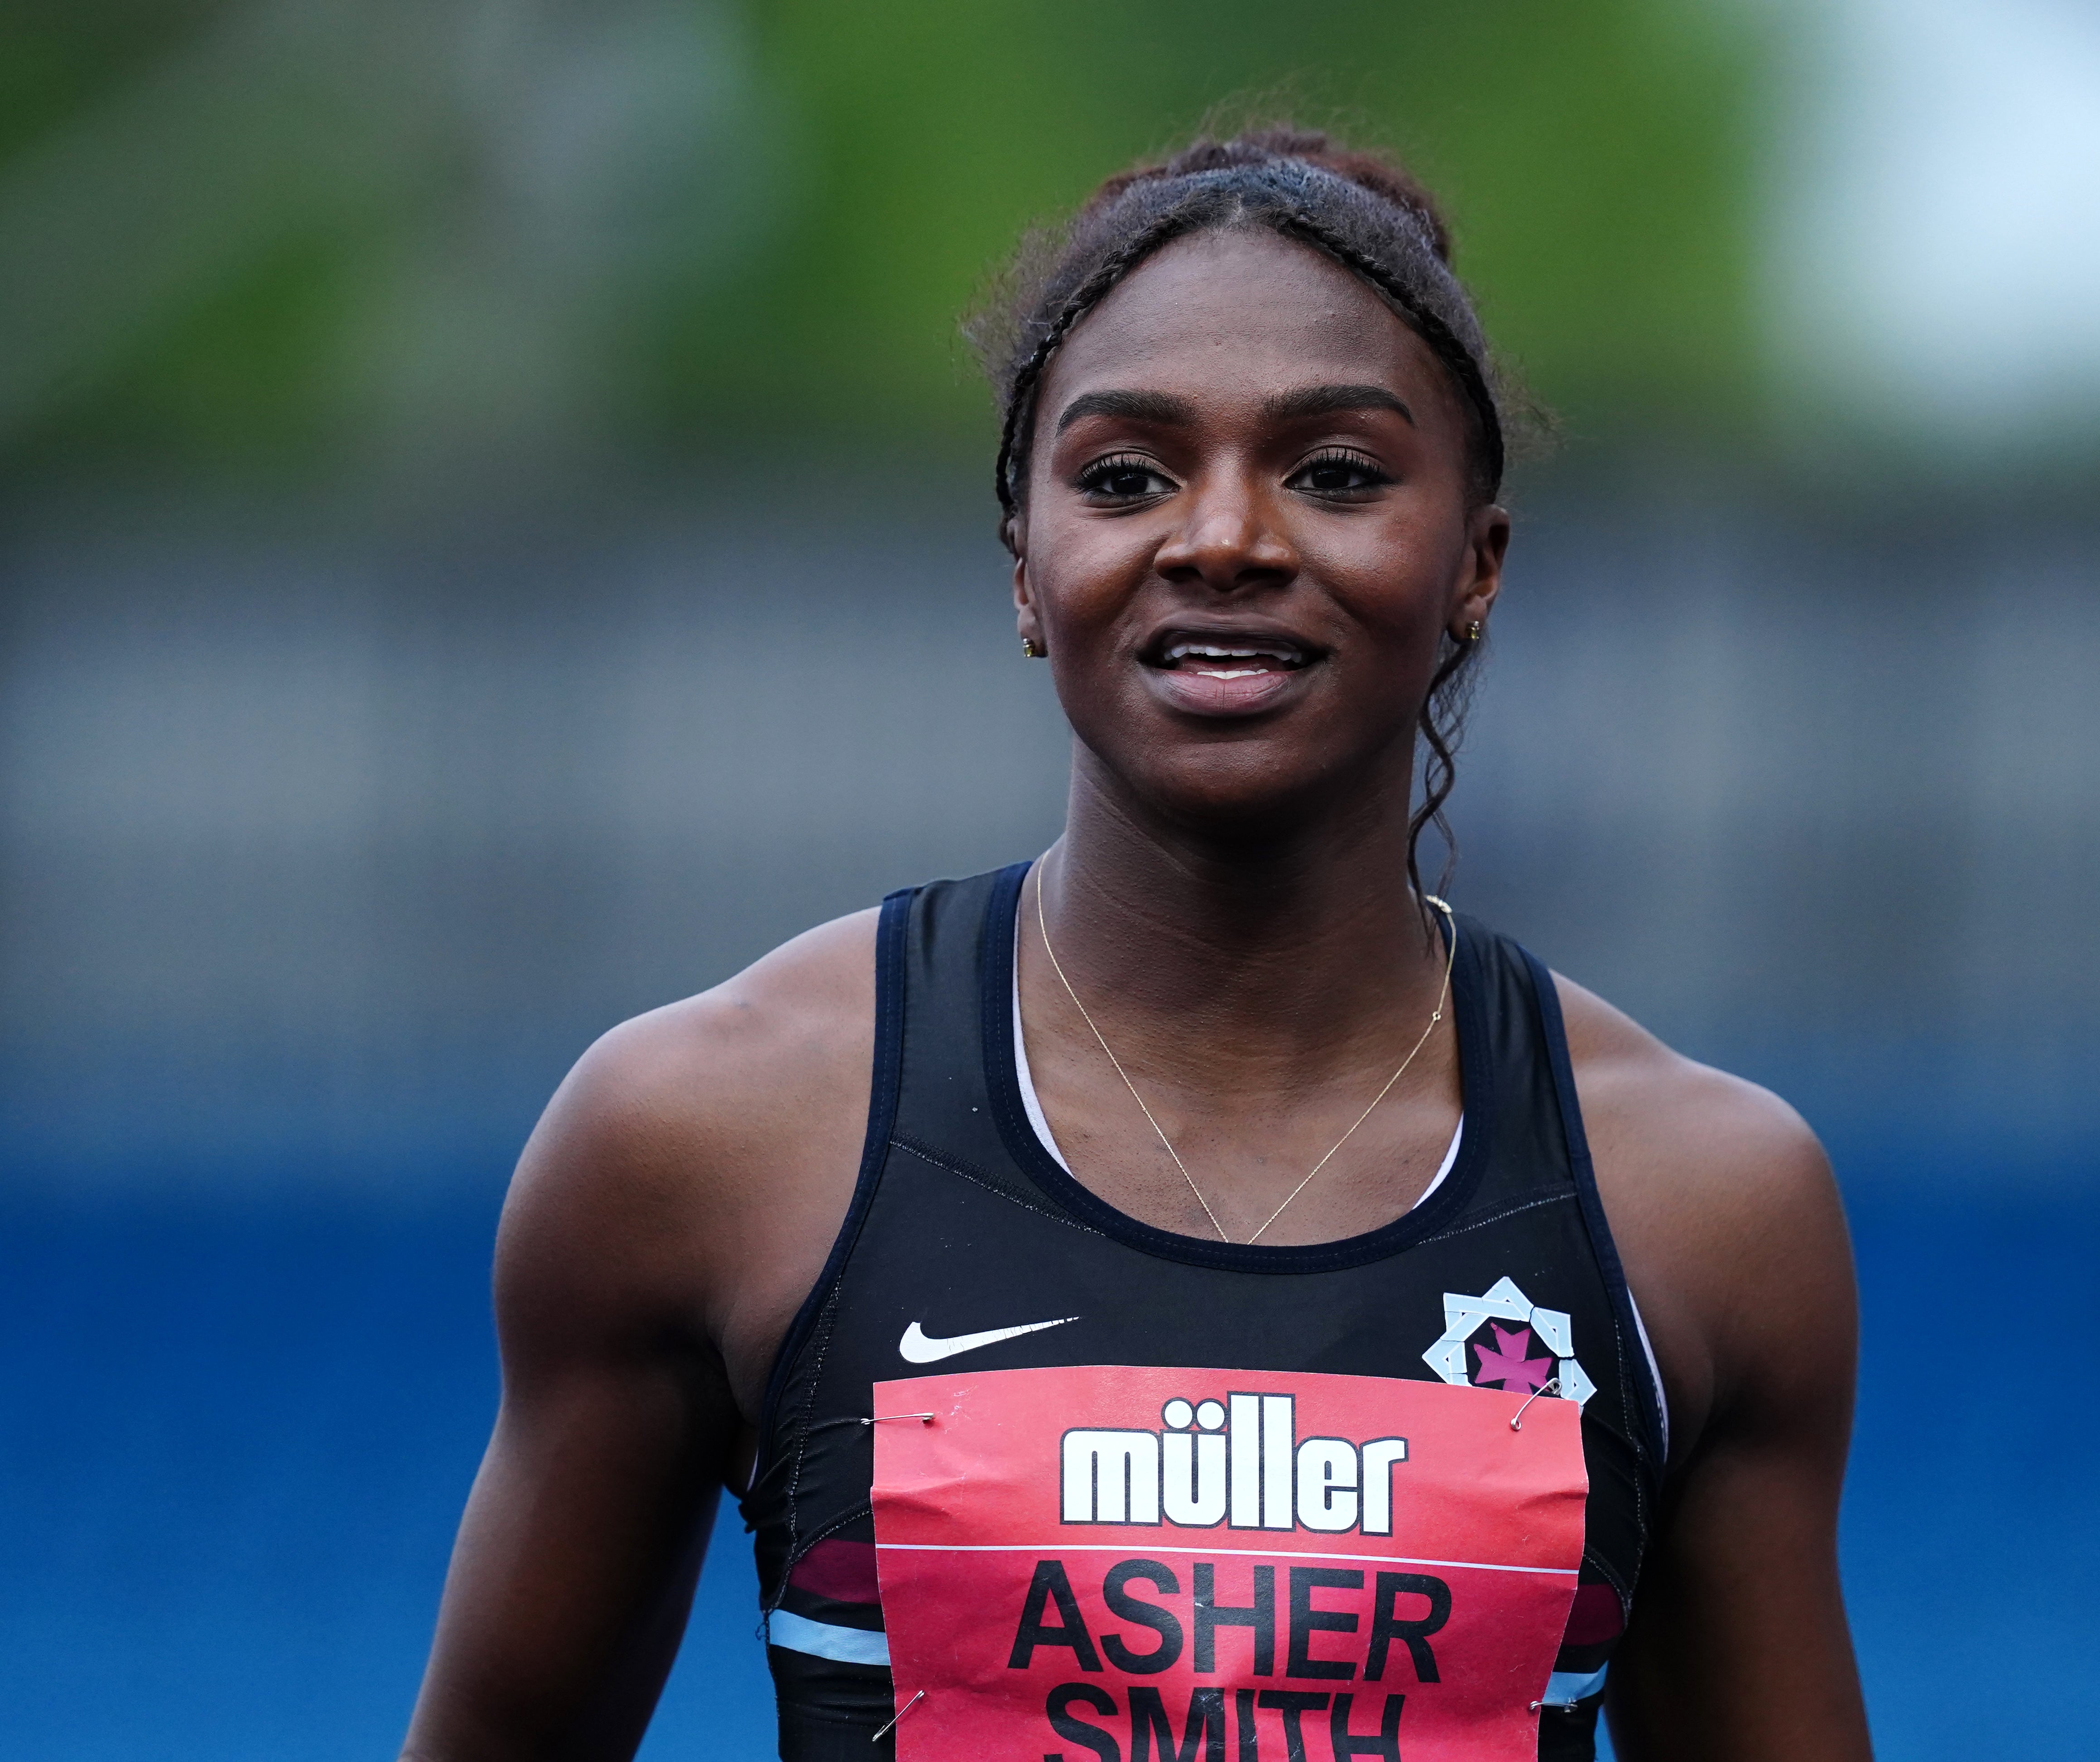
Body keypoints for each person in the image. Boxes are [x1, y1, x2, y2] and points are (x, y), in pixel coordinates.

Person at [401, 130, 1870, 1762]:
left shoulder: (1702, 1203)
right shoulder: (706, 1133)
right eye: (1123, 476)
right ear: (1025, 565)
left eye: (1334, 472)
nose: (1224, 535)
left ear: (1475, 567)